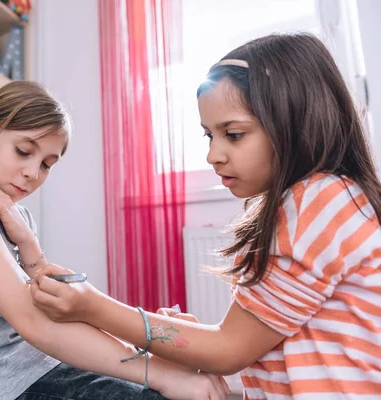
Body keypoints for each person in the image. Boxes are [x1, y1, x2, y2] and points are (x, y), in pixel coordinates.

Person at [30, 33, 381, 399]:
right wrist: (191, 339)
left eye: (233, 134)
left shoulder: (322, 202)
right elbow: (251, 340)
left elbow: (228, 349)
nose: (214, 154)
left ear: (295, 121)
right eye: (208, 136)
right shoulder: (317, 201)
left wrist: (92, 306)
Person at [0, 80, 230, 400]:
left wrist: (28, 245)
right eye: (23, 151)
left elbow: (54, 308)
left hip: (44, 363)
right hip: (1, 385)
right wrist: (158, 372)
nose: (32, 172)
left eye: (47, 164)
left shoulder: (18, 217)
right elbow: (32, 320)